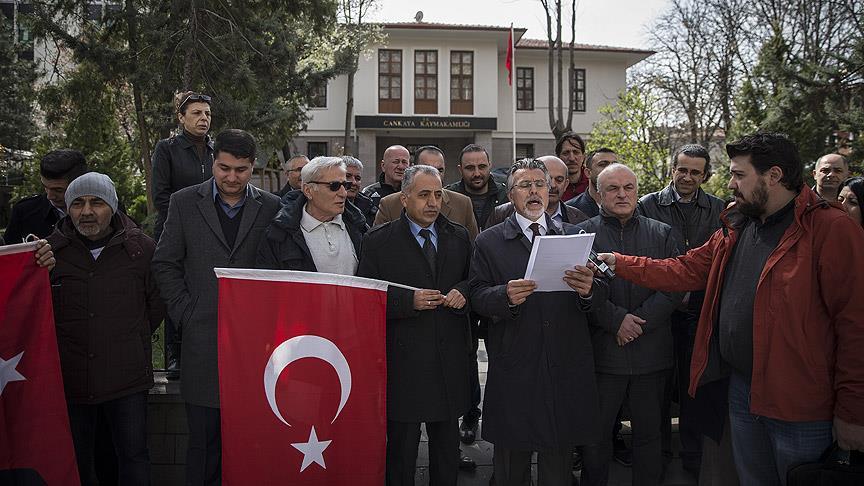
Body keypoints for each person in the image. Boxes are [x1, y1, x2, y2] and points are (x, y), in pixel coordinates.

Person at [597, 132, 864, 485]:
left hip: (801, 404)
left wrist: (852, 411)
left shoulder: (831, 229)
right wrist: (620, 262)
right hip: (741, 391)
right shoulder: (738, 222)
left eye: (739, 175)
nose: (730, 183)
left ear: (774, 176)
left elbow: (855, 325)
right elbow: (687, 269)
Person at [152, 129, 281, 485]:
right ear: (213, 161)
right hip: (202, 342)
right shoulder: (183, 202)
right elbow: (165, 262)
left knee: (248, 443)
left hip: (256, 349)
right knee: (203, 444)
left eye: (240, 170)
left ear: (253, 166)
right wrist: (185, 313)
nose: (231, 177)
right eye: (223, 168)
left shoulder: (271, 207)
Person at [470, 158, 608, 485]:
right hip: (516, 363)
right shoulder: (488, 242)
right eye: (524, 186)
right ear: (510, 194)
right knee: (510, 466)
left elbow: (602, 292)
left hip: (564, 363)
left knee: (558, 465)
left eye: (539, 185)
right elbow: (476, 295)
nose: (533, 192)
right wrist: (504, 296)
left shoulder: (576, 236)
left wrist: (589, 290)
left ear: (550, 190)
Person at [358, 164, 473, 486]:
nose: (433, 202)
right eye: (424, 195)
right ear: (404, 198)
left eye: (438, 194)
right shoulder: (379, 241)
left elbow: (473, 281)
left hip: (448, 358)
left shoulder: (459, 237)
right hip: (404, 362)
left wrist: (463, 292)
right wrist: (406, 302)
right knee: (402, 451)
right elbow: (367, 298)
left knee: (446, 449)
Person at [48, 172, 165, 486]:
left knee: (133, 459)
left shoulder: (142, 249)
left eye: (96, 202)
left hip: (126, 382)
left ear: (112, 206)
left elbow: (154, 307)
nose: (86, 211)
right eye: (78, 203)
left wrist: (123, 337)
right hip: (71, 381)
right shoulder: (48, 255)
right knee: (77, 462)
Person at [575, 163, 681, 486]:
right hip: (604, 353)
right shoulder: (582, 236)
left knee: (649, 435)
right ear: (598, 192)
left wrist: (638, 324)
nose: (622, 194)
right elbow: (578, 291)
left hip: (651, 352)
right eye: (612, 188)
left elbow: (675, 287)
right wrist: (616, 320)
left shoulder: (662, 233)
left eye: (628, 187)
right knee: (596, 435)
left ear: (637, 190)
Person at [637, 144, 725, 476]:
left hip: (699, 313)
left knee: (694, 386)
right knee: (657, 387)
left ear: (705, 175)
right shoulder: (647, 205)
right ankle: (657, 453)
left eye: (695, 172)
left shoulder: (717, 209)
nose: (687, 177)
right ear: (672, 169)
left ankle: (693, 456)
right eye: (682, 169)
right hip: (657, 310)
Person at [151, 90, 214, 381]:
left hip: (212, 234)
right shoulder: (167, 149)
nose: (203, 118)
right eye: (197, 113)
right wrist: (184, 224)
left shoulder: (216, 151)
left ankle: (208, 351)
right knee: (177, 290)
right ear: (181, 118)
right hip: (174, 232)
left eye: (207, 114)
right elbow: (161, 195)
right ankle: (176, 354)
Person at [257, 156, 367, 272]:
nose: (343, 193)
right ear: (308, 190)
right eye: (334, 186)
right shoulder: (279, 234)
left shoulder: (360, 226)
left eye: (345, 185)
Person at [375, 146, 479, 239]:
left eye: (440, 170)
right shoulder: (389, 205)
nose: (434, 175)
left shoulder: (463, 204)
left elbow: (473, 251)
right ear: (412, 168)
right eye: (427, 170)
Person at [5, 149, 87, 244]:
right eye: (45, 187)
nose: (50, 196)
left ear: (79, 184)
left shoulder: (98, 212)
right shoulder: (24, 212)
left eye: (58, 190)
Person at [485, 155, 588, 228]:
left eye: (559, 180)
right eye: (526, 185)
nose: (552, 185)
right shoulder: (500, 215)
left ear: (566, 184)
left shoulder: (579, 219)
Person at [445, 144, 508, 229]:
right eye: (470, 168)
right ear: (460, 170)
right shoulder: (448, 197)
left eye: (482, 167)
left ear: (489, 166)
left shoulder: (506, 195)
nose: (477, 173)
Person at [566, 148, 619, 218]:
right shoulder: (570, 210)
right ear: (588, 173)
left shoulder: (628, 206)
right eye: (603, 164)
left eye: (614, 165)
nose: (610, 169)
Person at [361, 144, 410, 214]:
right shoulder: (368, 194)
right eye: (396, 162)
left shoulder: (413, 193)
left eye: (404, 162)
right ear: (383, 166)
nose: (401, 167)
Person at [342, 155, 377, 226]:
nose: (354, 182)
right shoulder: (327, 210)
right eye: (347, 176)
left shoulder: (370, 208)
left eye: (357, 178)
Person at [556, 132, 590, 202]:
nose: (572, 158)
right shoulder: (552, 185)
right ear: (558, 157)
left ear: (584, 157)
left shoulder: (592, 184)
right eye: (566, 153)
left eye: (576, 152)